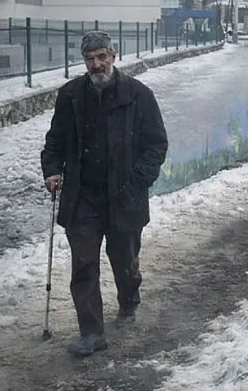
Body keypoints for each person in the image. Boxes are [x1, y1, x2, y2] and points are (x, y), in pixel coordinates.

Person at [40, 30, 169, 358]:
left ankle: (129, 298)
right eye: (90, 59)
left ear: (114, 55)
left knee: (124, 259)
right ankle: (92, 332)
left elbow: (156, 144)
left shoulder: (138, 95)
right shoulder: (71, 96)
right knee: (83, 264)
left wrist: (138, 180)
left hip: (124, 195)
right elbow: (54, 141)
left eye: (101, 57)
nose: (96, 64)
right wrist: (53, 170)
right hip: (82, 195)